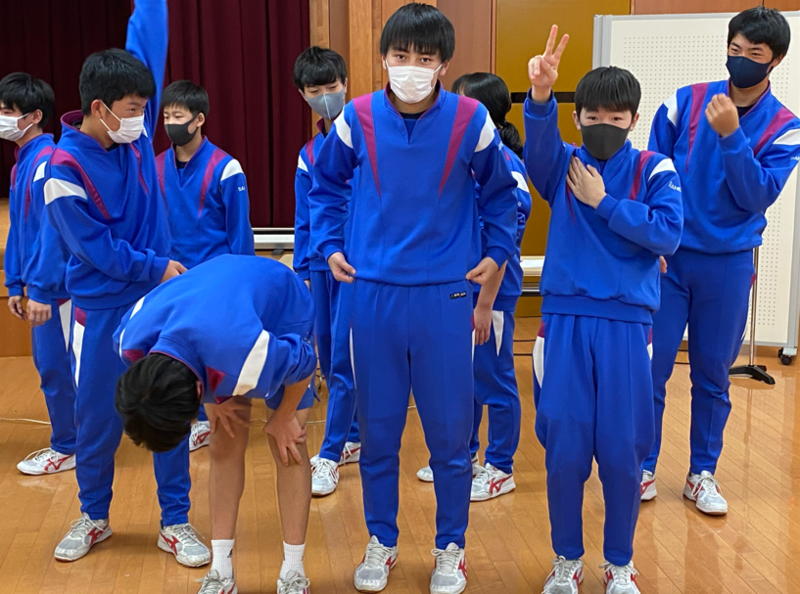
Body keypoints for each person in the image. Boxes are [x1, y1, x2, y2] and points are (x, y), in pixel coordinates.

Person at [308, 4, 518, 593]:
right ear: (383, 59)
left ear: (443, 65)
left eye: (425, 58)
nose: (411, 67)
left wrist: (497, 252)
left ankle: (451, 547)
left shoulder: (472, 119)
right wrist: (329, 245)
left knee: (450, 438)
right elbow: (324, 187)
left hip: (445, 298)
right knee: (377, 434)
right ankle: (382, 540)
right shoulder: (355, 117)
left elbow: (502, 196)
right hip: (372, 295)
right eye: (401, 55)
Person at [43, 0, 208, 567]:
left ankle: (176, 520)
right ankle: (94, 514)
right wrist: (155, 267)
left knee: (169, 409)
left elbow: (148, 38)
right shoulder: (62, 170)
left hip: (156, 307)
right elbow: (96, 250)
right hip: (100, 313)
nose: (145, 119)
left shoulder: (132, 132)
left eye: (144, 107)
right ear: (100, 108)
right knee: (96, 420)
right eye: (135, 110)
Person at [526, 26, 683, 594]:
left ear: (633, 120)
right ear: (577, 118)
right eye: (593, 115)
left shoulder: (655, 169)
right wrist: (541, 94)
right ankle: (566, 560)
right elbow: (537, 150)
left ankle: (619, 562)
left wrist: (605, 202)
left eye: (616, 117)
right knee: (565, 449)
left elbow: (667, 235)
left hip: (628, 327)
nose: (604, 125)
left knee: (622, 451)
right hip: (564, 323)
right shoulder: (563, 164)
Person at [645, 6, 800, 516]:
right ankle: (642, 466)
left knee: (713, 375)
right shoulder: (683, 102)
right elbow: (652, 173)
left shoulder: (786, 127)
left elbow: (757, 195)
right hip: (668, 261)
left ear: (775, 61)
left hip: (729, 265)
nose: (741, 59)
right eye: (735, 49)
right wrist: (651, 240)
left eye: (754, 53)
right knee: (650, 369)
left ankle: (701, 474)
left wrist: (732, 136)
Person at [114, 255, 317, 594]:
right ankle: (221, 571)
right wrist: (215, 399)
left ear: (197, 389)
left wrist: (284, 416)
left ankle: (293, 571)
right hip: (211, 301)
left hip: (281, 303)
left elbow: (306, 362)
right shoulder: (129, 340)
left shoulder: (242, 355)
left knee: (288, 446)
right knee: (224, 442)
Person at [416, 72, 530, 502]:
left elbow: (503, 242)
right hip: (459, 291)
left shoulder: (507, 166)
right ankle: (466, 455)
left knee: (494, 378)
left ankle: (501, 466)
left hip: (491, 295)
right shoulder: (467, 156)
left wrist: (484, 304)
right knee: (465, 378)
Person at [156, 79, 255, 452]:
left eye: (178, 116)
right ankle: (188, 414)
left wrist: (241, 285)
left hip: (215, 280)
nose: (171, 123)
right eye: (166, 116)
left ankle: (212, 415)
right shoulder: (156, 166)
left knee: (212, 350)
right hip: (171, 278)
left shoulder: (227, 168)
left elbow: (239, 232)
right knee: (176, 349)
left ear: (199, 119)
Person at [292, 46, 360, 497]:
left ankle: (331, 453)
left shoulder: (366, 137)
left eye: (331, 87)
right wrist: (301, 269)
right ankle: (351, 436)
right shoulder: (309, 152)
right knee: (328, 354)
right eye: (314, 90)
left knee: (344, 360)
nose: (325, 97)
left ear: (346, 85)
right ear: (303, 95)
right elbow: (304, 217)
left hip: (358, 267)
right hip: (319, 265)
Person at [1, 73, 77, 476]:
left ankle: (69, 446)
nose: (1, 118)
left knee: (57, 366)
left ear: (33, 116)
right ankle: (75, 439)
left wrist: (43, 288)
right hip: (38, 286)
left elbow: (54, 233)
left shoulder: (49, 162)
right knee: (50, 365)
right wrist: (14, 281)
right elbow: (20, 228)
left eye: (7, 111)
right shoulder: (22, 165)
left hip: (58, 290)